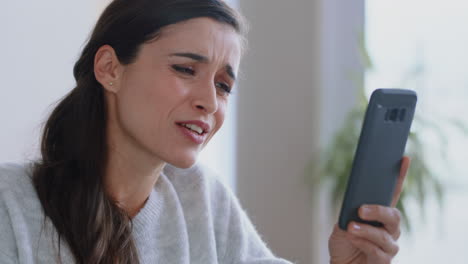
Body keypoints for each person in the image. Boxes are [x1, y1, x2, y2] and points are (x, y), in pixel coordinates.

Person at [0, 0, 410, 263]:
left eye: (223, 85)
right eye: (185, 69)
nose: (209, 103)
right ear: (109, 68)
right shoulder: (12, 207)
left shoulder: (201, 199)